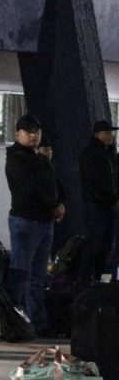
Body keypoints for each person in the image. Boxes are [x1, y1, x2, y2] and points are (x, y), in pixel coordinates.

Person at [4, 114, 65, 337]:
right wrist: (53, 205)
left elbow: (52, 186)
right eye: (28, 131)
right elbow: (29, 189)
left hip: (43, 222)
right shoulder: (16, 159)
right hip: (26, 222)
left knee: (38, 277)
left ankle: (37, 323)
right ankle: (13, 323)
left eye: (36, 131)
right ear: (18, 134)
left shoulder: (39, 159)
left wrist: (58, 204)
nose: (33, 135)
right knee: (20, 274)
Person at [78, 119, 119, 281]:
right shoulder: (91, 154)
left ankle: (101, 281)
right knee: (95, 244)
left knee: (106, 246)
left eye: (111, 133)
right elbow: (96, 183)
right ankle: (86, 281)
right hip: (96, 206)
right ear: (97, 134)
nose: (110, 136)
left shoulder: (109, 154)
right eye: (107, 133)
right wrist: (112, 199)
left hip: (108, 206)